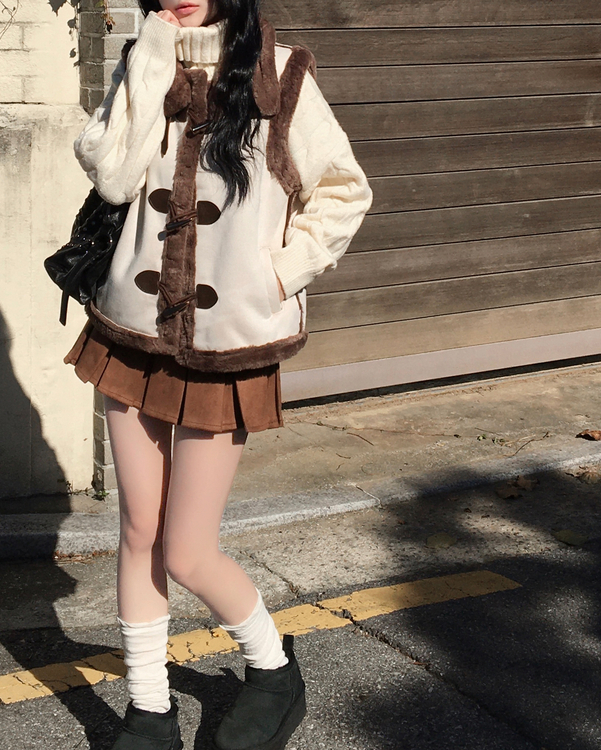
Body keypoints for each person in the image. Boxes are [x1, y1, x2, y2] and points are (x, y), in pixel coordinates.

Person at [65, 0, 372, 747]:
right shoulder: (145, 61)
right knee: (138, 529)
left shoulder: (282, 75)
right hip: (133, 332)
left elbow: (344, 190)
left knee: (187, 550)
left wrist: (279, 275)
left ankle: (274, 671)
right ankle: (149, 710)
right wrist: (150, 58)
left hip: (227, 346)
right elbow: (111, 177)